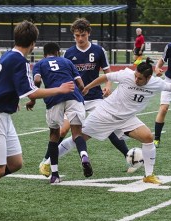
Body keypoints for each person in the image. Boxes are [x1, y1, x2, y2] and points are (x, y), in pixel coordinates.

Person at [0, 21, 75, 220]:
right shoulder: (19, 60)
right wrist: (60, 89)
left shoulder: (9, 55)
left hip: (2, 114)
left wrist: (7, 95)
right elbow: (32, 92)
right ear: (33, 43)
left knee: (16, 163)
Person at [59, 57, 171, 184]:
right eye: (136, 76)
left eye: (140, 78)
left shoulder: (156, 83)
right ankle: (48, 161)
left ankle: (148, 176)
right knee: (78, 138)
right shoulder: (126, 74)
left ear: (148, 78)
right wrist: (88, 87)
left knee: (148, 137)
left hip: (126, 118)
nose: (136, 79)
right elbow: (106, 77)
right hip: (106, 113)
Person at [39, 17, 130, 177]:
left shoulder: (98, 50)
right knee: (62, 131)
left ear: (88, 33)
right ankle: (46, 161)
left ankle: (129, 157)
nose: (80, 38)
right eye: (77, 35)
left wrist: (108, 86)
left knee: (109, 127)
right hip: (75, 98)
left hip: (95, 98)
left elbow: (108, 72)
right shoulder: (69, 53)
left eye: (83, 35)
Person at [26, 42, 92, 183]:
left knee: (54, 135)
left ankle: (55, 174)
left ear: (45, 54)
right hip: (73, 95)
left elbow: (37, 80)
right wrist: (81, 94)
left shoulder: (40, 63)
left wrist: (33, 100)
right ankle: (84, 156)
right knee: (77, 134)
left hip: (53, 98)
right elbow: (80, 84)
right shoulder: (67, 61)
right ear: (58, 52)